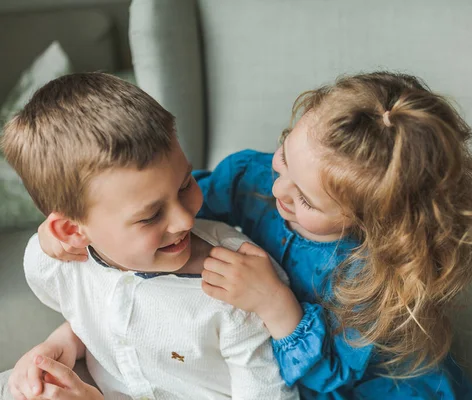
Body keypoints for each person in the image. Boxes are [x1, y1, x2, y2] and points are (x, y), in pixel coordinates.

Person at [40, 72, 472, 399]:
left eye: (308, 201)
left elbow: (330, 380)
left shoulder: (373, 277)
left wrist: (277, 308)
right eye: (284, 158)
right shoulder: (254, 179)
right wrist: (90, 223)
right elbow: (173, 200)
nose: (278, 191)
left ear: (375, 221)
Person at [0, 73, 298, 400]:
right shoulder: (55, 263)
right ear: (72, 231)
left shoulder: (236, 288)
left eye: (185, 184)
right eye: (151, 215)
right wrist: (62, 343)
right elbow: (102, 314)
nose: (185, 219)